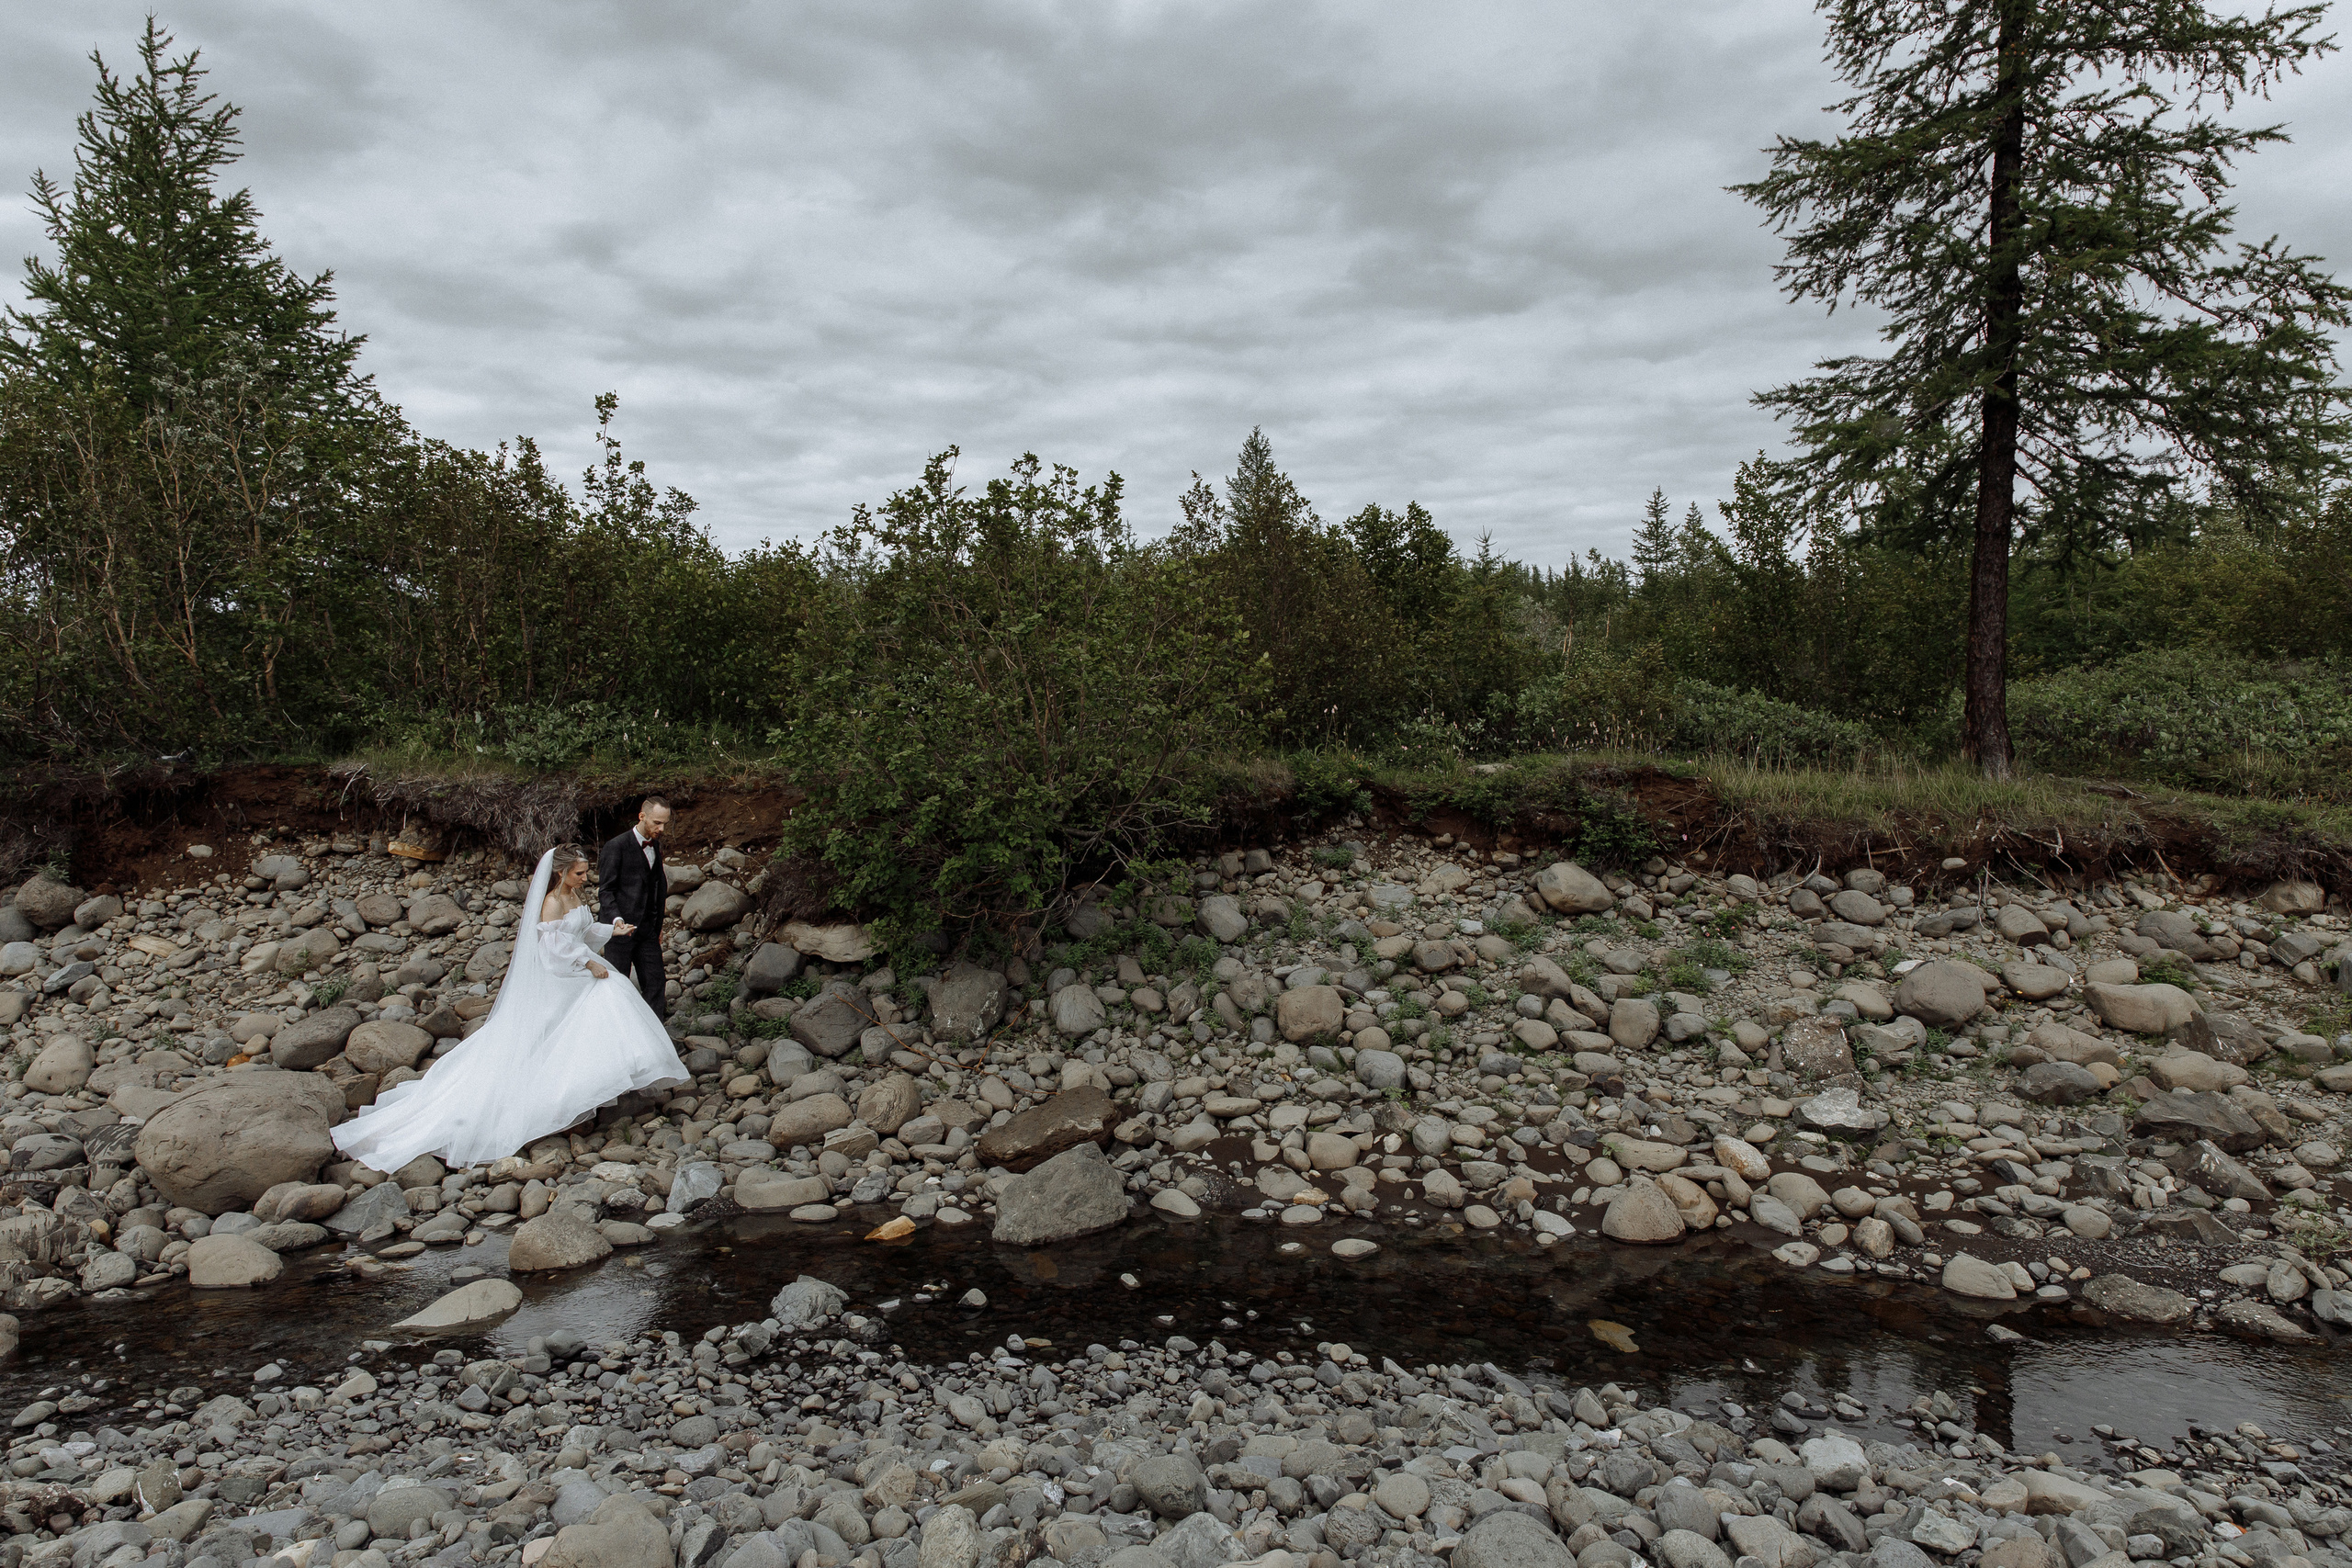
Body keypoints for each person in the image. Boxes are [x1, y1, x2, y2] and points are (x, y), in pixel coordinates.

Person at [331, 843, 686, 1173]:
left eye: (584, 872)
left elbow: (583, 930)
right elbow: (554, 950)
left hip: (576, 964)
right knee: (601, 999)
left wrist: (614, 930)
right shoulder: (550, 903)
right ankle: (563, 1095)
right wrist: (589, 964)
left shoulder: (573, 895)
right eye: (579, 873)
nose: (585, 877)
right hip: (560, 974)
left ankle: (609, 1082)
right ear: (561, 873)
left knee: (613, 995)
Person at [597, 797, 672, 1019]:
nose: (662, 828)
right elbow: (606, 891)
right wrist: (616, 920)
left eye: (665, 823)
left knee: (656, 982)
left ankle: (656, 1039)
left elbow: (658, 886)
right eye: (657, 823)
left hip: (647, 931)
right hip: (620, 932)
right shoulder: (615, 846)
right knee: (617, 985)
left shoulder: (654, 844)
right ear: (642, 816)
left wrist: (657, 926)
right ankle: (617, 1035)